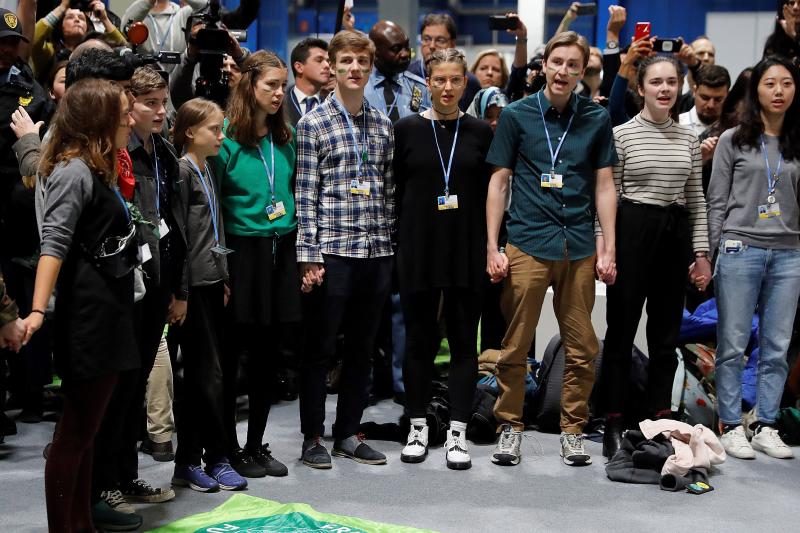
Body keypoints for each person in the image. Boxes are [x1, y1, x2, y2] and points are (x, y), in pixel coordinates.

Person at [486, 31, 617, 467]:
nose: (563, 71)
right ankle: (509, 426)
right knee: (516, 343)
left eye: (573, 65)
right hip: (526, 241)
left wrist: (608, 248)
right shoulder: (517, 115)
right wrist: (493, 245)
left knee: (583, 346)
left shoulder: (596, 119)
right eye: (556, 62)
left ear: (583, 71)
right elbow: (499, 182)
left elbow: (603, 185)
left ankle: (573, 429)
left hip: (577, 246)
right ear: (544, 65)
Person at [21, 77, 140, 533]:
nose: (130, 120)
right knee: (74, 435)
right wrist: (35, 310)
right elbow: (54, 242)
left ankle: (81, 525)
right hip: (87, 318)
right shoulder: (74, 171)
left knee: (87, 434)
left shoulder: (95, 167)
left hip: (107, 311)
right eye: (123, 113)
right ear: (99, 120)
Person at [599, 56, 711, 459]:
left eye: (671, 82)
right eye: (655, 82)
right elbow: (607, 199)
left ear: (680, 87)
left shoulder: (688, 140)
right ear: (641, 87)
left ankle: (660, 417)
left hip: (673, 234)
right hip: (632, 230)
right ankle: (613, 416)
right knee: (620, 332)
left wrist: (701, 253)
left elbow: (696, 199)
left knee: (665, 337)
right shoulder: (622, 135)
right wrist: (606, 247)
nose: (664, 89)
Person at [295, 29, 394, 469]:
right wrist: (308, 254)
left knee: (362, 348)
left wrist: (390, 246)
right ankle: (313, 436)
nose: (355, 69)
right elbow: (305, 194)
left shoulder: (383, 125)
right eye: (347, 61)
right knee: (319, 349)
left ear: (370, 68)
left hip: (375, 251)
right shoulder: (311, 123)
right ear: (332, 66)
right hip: (331, 252)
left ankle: (348, 432)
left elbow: (388, 192)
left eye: (363, 62)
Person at [394, 48, 493, 470]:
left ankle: (457, 432)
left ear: (465, 81)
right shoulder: (406, 130)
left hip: (466, 250)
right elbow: (395, 191)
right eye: (439, 80)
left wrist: (493, 245)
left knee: (463, 345)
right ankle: (417, 425)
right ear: (427, 83)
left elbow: (493, 193)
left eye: (455, 80)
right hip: (419, 248)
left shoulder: (480, 133)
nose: (448, 88)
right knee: (418, 341)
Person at [91, 66, 182, 516]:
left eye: (165, 102)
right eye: (151, 104)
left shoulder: (163, 152)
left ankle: (125, 475)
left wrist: (177, 289)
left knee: (135, 387)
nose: (161, 111)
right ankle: (104, 482)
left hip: (158, 285)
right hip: (126, 288)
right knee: (117, 390)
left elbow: (176, 226)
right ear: (129, 105)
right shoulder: (115, 155)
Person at [708, 56, 800, 461]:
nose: (778, 91)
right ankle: (729, 424)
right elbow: (716, 202)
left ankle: (765, 423)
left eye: (786, 83)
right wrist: (711, 253)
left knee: (777, 346)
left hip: (789, 252)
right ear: (756, 90)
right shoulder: (734, 139)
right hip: (739, 247)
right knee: (732, 344)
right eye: (770, 83)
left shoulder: (799, 141)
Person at [212, 50, 295, 479]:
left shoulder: (285, 139)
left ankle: (255, 444)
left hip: (280, 252)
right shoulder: (224, 138)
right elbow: (211, 208)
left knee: (267, 356)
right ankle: (225, 448)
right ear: (249, 86)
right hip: (239, 255)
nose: (279, 93)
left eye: (283, 86)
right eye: (271, 86)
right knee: (231, 357)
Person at [170, 97, 248, 492]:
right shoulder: (182, 171)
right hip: (193, 290)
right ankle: (199, 459)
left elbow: (214, 230)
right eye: (214, 130)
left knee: (215, 375)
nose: (221, 136)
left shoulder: (210, 167)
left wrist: (225, 274)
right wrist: (180, 292)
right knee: (205, 377)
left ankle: (204, 458)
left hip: (215, 282)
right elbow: (181, 237)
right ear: (189, 132)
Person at [32, 0, 126, 81]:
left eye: (81, 18)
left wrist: (104, 19)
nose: (77, 20)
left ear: (87, 27)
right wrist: (62, 8)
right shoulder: (50, 51)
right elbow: (33, 39)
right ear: (60, 26)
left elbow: (123, 47)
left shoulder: (94, 49)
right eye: (70, 17)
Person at [407, 13, 481, 111]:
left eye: (440, 40)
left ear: (453, 44)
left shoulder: (468, 82)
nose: (432, 46)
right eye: (427, 39)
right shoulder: (407, 76)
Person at [365, 20, 430, 122]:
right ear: (375, 52)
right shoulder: (359, 88)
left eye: (407, 46)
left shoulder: (419, 87)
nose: (405, 54)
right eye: (396, 49)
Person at [121, 0, 207, 74]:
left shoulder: (182, 13)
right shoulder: (139, 13)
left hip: (179, 75)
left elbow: (207, 7)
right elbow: (125, 28)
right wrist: (148, 2)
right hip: (148, 77)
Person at [286, 37, 330, 127]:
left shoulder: (333, 104)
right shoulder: (280, 103)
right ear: (299, 67)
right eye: (319, 60)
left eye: (328, 61)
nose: (327, 65)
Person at [679, 65, 731, 138]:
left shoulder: (734, 130)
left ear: (728, 96)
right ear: (694, 91)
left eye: (718, 99)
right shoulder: (675, 126)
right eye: (705, 98)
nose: (711, 105)